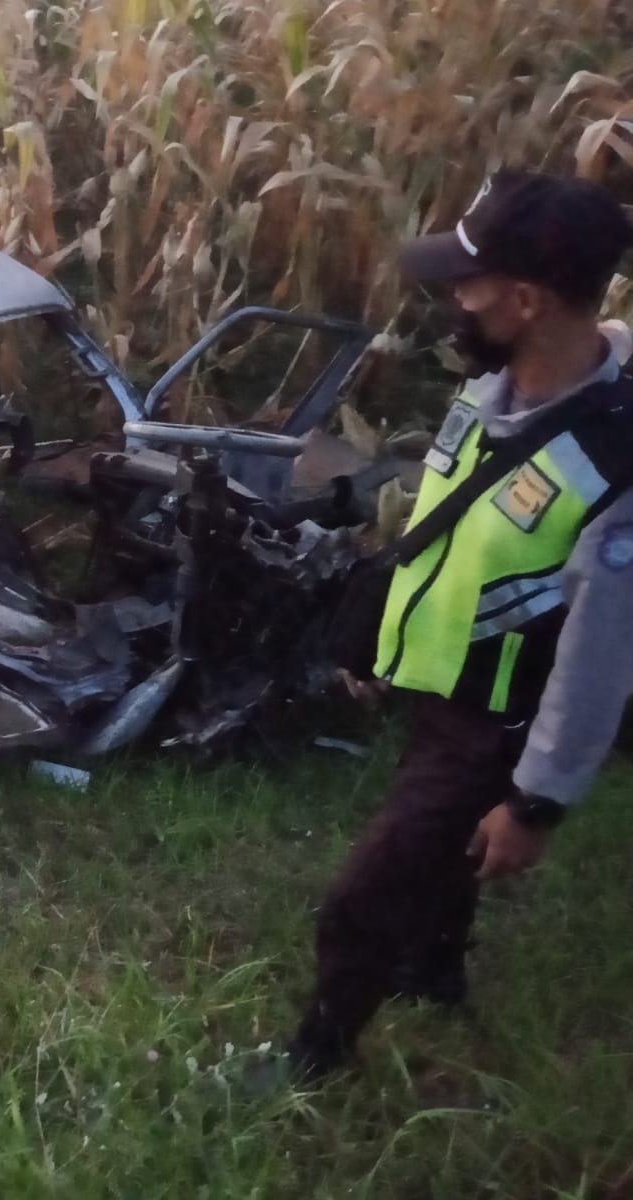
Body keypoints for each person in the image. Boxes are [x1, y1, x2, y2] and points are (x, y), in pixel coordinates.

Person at [283, 171, 633, 1079]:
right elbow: (458, 531)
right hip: (447, 685)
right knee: (441, 846)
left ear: (524, 299)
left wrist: (536, 801)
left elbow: (602, 655)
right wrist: (387, 645)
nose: (451, 298)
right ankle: (434, 968)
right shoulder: (494, 383)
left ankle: (316, 1054)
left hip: (502, 714)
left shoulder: (616, 465)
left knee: (368, 892)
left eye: (466, 282)